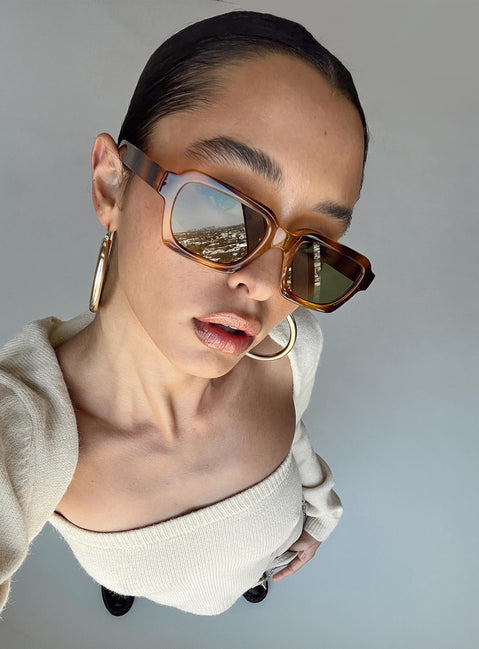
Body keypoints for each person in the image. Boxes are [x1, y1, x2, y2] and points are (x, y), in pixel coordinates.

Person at [0, 10, 374, 617]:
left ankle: (248, 579)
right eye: (220, 210)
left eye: (313, 251)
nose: (262, 285)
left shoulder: (292, 345)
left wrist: (318, 516)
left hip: (269, 546)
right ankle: (126, 579)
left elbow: (295, 436)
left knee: (247, 575)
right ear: (112, 184)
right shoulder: (27, 429)